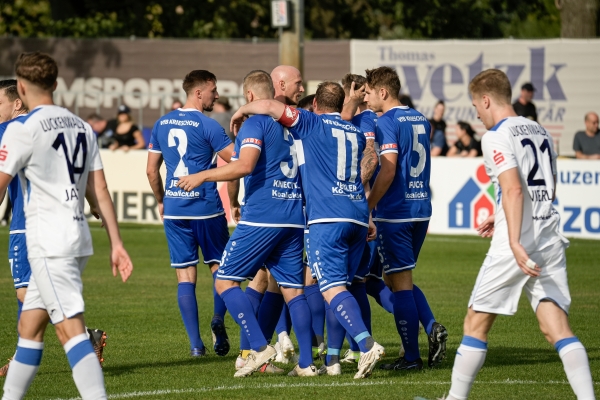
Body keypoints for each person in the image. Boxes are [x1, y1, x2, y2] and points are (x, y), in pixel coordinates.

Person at [428, 69, 595, 400]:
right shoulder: (540, 130)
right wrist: (499, 210)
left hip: (514, 243)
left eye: (476, 105)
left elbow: (515, 189)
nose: (476, 113)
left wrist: (515, 240)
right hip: (548, 236)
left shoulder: (495, 136)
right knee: (556, 329)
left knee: (475, 324)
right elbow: (545, 186)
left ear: (486, 99)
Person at [227, 81, 385, 379]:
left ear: (315, 105)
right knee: (340, 289)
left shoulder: (311, 123)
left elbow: (271, 106)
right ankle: (333, 360)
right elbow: (369, 160)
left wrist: (242, 110)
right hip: (358, 214)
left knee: (330, 288)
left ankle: (366, 345)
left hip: (327, 218)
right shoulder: (353, 130)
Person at [0, 51, 133, 400]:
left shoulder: (21, 129)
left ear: (22, 88)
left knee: (70, 331)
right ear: (56, 85)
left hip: (48, 242)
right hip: (78, 238)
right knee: (29, 328)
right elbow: (100, 189)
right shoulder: (82, 127)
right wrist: (117, 243)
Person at [177, 70, 317, 378]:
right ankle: (306, 364)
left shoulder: (256, 122)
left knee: (225, 281)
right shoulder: (294, 124)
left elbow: (244, 165)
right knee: (294, 292)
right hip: (294, 217)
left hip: (263, 217)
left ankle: (258, 347)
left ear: (250, 97)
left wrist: (202, 175)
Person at [365, 66, 447, 372]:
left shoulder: (386, 121)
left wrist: (368, 205)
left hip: (395, 213)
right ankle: (422, 337)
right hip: (420, 209)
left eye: (370, 92)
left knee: (398, 285)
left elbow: (388, 170)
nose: (368, 97)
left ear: (383, 92)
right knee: (397, 279)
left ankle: (411, 357)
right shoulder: (420, 118)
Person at [146, 70, 234, 358]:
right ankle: (218, 319)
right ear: (199, 92)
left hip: (175, 209)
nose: (216, 95)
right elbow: (235, 161)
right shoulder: (208, 126)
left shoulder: (161, 123)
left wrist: (162, 200)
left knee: (185, 277)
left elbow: (151, 171)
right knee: (221, 270)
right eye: (213, 90)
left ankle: (196, 345)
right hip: (206, 208)